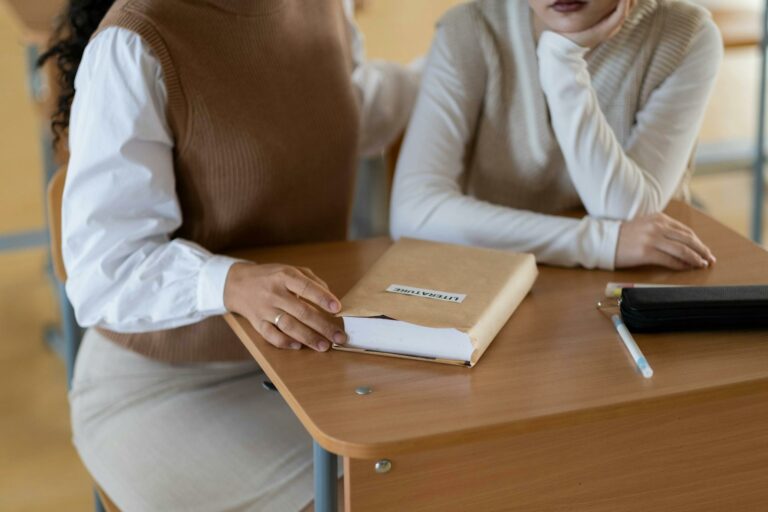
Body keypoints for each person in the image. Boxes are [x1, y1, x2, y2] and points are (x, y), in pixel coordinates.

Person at [39, 0, 419, 509]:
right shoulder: (134, 42)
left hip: (311, 365)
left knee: (459, 469)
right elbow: (103, 271)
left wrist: (464, 59)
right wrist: (231, 283)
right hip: (169, 385)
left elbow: (346, 108)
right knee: (371, 499)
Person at [390, 0, 721, 271]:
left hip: (634, 285)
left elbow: (627, 212)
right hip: (498, 279)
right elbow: (413, 212)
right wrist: (600, 242)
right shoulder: (469, 29)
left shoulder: (687, 35)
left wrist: (561, 58)